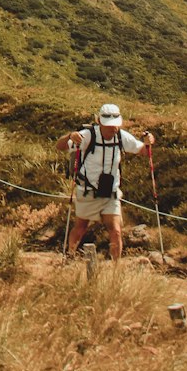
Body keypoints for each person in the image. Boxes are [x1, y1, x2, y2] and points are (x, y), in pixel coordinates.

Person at [56, 103, 155, 261]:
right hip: (87, 191)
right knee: (80, 228)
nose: (112, 129)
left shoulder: (122, 136)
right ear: (99, 122)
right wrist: (70, 136)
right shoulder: (87, 135)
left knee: (115, 230)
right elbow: (60, 146)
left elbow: (143, 150)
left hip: (111, 193)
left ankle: (116, 269)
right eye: (109, 126)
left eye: (115, 125)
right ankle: (69, 257)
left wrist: (149, 142)